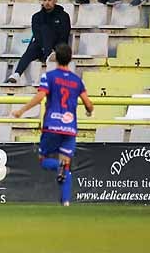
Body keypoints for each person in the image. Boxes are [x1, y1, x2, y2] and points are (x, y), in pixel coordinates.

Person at [12, 43, 94, 207]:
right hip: (69, 128)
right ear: (70, 59)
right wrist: (89, 111)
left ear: (55, 57)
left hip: (52, 126)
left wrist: (21, 110)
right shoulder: (77, 81)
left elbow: (40, 96)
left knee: (43, 160)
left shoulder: (48, 76)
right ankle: (65, 202)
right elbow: (88, 104)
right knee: (67, 165)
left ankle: (59, 167)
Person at [7, 0, 72, 84]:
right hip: (42, 47)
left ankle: (48, 55)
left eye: (49, 0)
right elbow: (37, 36)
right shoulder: (36, 17)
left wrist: (55, 49)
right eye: (45, 0)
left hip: (57, 47)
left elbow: (64, 34)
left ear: (55, 0)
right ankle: (17, 74)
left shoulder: (63, 16)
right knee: (31, 49)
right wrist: (45, 49)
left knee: (46, 29)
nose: (47, 3)